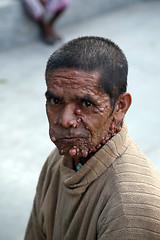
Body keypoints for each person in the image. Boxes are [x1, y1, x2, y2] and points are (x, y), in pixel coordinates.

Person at [24, 36, 160, 240]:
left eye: (86, 104)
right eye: (55, 100)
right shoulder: (59, 160)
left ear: (120, 107)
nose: (65, 120)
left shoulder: (130, 208)